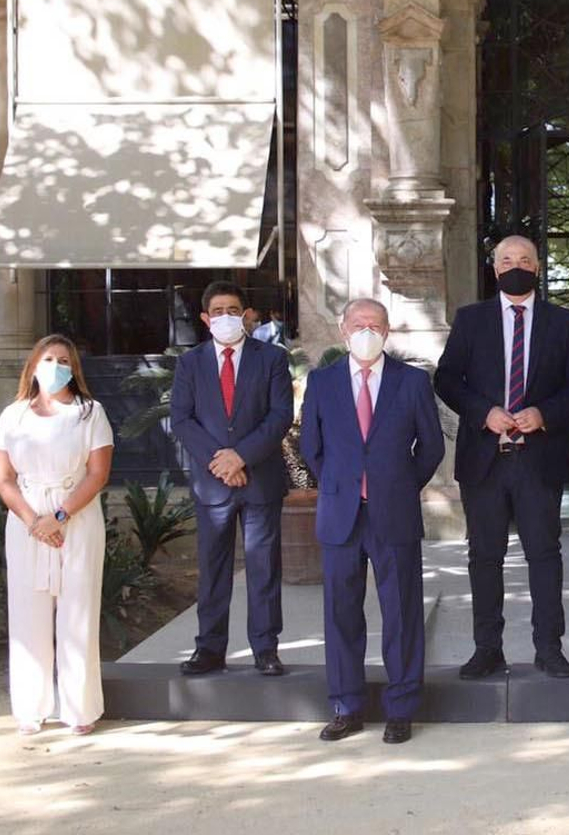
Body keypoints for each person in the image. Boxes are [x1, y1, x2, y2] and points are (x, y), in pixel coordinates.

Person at [435, 235, 569, 680]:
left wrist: (544, 414)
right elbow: (446, 379)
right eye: (507, 260)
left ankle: (549, 648)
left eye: (525, 259)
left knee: (545, 554)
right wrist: (484, 413)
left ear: (538, 267)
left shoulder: (562, 322)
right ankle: (487, 648)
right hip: (485, 458)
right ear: (495, 267)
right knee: (484, 556)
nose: (516, 265)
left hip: (538, 458)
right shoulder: (471, 320)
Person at [300, 298, 444, 745]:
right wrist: (342, 485)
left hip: (394, 513)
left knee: (401, 611)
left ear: (387, 332)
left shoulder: (412, 382)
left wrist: (398, 485)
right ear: (343, 330)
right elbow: (312, 446)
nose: (367, 330)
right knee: (342, 613)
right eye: (359, 323)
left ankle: (401, 708)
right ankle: (346, 705)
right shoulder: (322, 382)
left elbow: (432, 447)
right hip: (341, 513)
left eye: (375, 324)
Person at [169, 281, 295, 678]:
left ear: (246, 314)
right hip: (212, 485)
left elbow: (279, 416)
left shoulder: (272, 358)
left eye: (233, 309)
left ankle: (265, 648)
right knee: (212, 569)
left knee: (263, 567)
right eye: (218, 311)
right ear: (206, 319)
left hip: (260, 479)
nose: (226, 317)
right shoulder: (190, 363)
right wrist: (220, 461)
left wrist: (241, 456)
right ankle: (209, 649)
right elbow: (183, 419)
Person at [0, 335, 114, 736]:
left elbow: (97, 474)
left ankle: (80, 708)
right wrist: (33, 520)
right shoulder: (13, 415)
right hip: (28, 521)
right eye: (48, 358)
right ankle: (31, 706)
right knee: (29, 613)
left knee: (77, 612)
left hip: (75, 518)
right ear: (33, 365)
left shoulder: (90, 413)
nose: (55, 365)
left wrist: (59, 516)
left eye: (64, 359)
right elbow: (4, 477)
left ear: (74, 368)